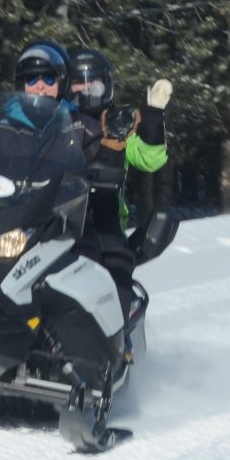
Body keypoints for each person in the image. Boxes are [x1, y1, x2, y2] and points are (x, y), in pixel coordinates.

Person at [64, 46, 171, 316]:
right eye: (79, 84)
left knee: (116, 269)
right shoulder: (56, 120)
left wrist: (153, 117)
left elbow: (150, 159)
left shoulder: (117, 121)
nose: (86, 91)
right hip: (53, 214)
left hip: (104, 216)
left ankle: (119, 344)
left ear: (107, 86)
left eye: (94, 85)